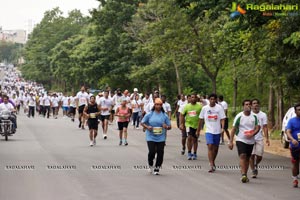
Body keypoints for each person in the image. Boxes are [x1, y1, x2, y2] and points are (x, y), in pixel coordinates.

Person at [228, 99, 260, 183]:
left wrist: (252, 133)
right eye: (246, 104)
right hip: (240, 139)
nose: (248, 106)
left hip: (251, 140)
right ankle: (243, 175)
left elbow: (258, 127)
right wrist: (230, 141)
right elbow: (234, 129)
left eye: (249, 104)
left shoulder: (254, 116)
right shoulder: (239, 116)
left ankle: (245, 173)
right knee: (242, 155)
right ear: (243, 106)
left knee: (247, 158)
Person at [141, 98, 171, 175]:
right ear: (154, 105)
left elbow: (169, 126)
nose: (158, 106)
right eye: (157, 104)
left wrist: (166, 127)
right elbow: (142, 122)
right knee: (152, 152)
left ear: (161, 106)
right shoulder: (149, 114)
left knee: (160, 153)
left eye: (160, 105)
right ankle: (150, 164)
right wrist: (147, 127)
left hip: (161, 137)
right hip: (150, 136)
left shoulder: (164, 115)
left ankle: (157, 168)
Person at [197, 93, 225, 172]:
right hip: (208, 130)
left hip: (217, 131)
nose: (212, 101)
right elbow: (200, 119)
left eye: (214, 99)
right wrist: (198, 130)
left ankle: (213, 161)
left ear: (216, 100)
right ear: (209, 100)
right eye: (211, 99)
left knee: (215, 148)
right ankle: (211, 164)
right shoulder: (205, 108)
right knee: (210, 145)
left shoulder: (219, 108)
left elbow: (223, 118)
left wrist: (222, 128)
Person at [250, 99, 270, 178]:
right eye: (254, 103)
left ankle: (255, 164)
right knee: (251, 155)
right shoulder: (249, 114)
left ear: (259, 105)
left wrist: (267, 138)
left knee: (259, 155)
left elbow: (265, 127)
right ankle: (253, 171)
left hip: (259, 138)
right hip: (250, 138)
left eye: (257, 103)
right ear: (251, 105)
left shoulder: (263, 115)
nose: (255, 105)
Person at [180, 94, 202, 160]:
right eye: (192, 97)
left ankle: (195, 153)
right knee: (189, 137)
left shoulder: (200, 107)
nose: (193, 99)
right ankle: (189, 153)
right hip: (188, 125)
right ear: (190, 98)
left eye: (194, 97)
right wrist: (182, 124)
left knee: (195, 139)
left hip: (196, 125)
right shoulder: (187, 106)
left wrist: (201, 126)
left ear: (196, 99)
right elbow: (182, 115)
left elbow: (202, 116)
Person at [286, 103, 300, 188]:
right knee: (296, 163)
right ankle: (295, 179)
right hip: (295, 145)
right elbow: (288, 131)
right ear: (295, 111)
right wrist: (292, 139)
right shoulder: (291, 121)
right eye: (299, 109)